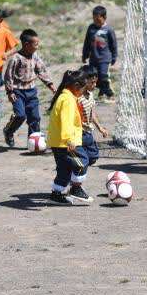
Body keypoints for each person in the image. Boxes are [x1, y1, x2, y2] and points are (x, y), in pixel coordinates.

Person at [2, 29, 56, 147]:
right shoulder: (15, 58)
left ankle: (33, 143)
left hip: (31, 91)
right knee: (20, 115)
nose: (37, 46)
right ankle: (9, 131)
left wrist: (51, 86)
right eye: (35, 44)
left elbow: (41, 71)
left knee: (35, 118)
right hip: (17, 92)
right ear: (26, 45)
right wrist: (10, 92)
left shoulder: (35, 57)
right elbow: (8, 76)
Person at [47, 70, 91, 205]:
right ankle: (75, 188)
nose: (84, 92)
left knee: (64, 169)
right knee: (82, 161)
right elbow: (65, 121)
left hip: (58, 142)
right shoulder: (67, 100)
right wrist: (69, 139)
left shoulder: (65, 96)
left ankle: (56, 194)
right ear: (77, 86)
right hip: (65, 142)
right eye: (84, 88)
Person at [81, 5, 117, 101]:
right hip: (93, 58)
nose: (96, 22)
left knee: (103, 76)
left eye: (98, 19)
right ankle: (102, 91)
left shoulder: (108, 30)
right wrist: (85, 55)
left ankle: (110, 93)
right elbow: (87, 43)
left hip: (105, 58)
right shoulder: (91, 28)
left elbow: (114, 44)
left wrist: (114, 57)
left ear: (104, 18)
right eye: (94, 19)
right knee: (94, 77)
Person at [78, 66, 110, 168]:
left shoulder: (90, 95)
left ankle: (83, 156)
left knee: (93, 157)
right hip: (79, 133)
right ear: (84, 81)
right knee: (83, 160)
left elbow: (92, 114)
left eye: (96, 82)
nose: (95, 85)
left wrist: (100, 128)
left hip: (88, 132)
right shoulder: (77, 98)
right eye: (92, 82)